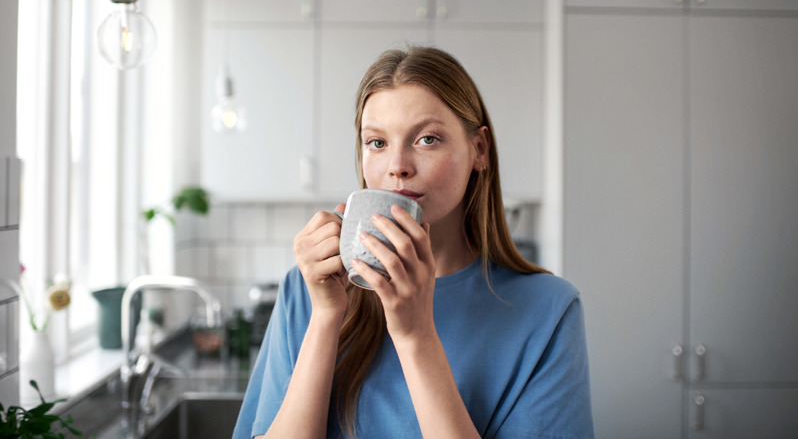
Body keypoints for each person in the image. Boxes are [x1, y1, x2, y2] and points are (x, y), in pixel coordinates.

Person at [233, 46, 593, 438]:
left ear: (479, 150)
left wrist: (416, 335)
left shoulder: (548, 311)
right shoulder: (308, 291)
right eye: (377, 143)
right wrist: (324, 318)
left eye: (427, 139)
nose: (397, 165)